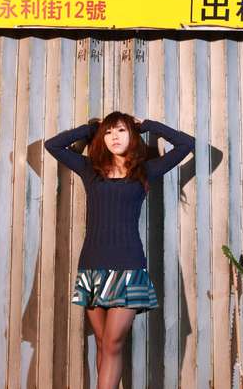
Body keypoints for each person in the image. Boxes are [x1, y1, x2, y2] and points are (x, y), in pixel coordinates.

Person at [43, 111, 195, 389]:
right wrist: (90, 129)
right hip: (92, 265)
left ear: (132, 135)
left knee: (113, 343)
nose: (114, 137)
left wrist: (148, 125)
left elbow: (187, 144)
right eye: (109, 132)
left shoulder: (145, 171)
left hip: (129, 266)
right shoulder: (90, 169)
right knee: (103, 343)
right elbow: (52, 145)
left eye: (121, 130)